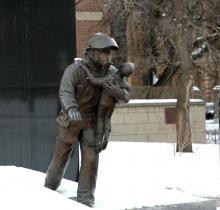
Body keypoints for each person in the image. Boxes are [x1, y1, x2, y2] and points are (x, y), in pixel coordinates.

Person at [44, 32, 130, 207]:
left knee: (91, 160)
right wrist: (72, 107)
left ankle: (86, 198)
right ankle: (48, 190)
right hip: (71, 121)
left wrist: (117, 92)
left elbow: (125, 97)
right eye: (104, 52)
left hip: (92, 123)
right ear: (91, 52)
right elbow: (65, 91)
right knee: (60, 156)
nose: (108, 56)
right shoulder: (75, 70)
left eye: (109, 53)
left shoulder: (112, 72)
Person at [84, 62, 134, 152]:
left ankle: (99, 140)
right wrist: (123, 91)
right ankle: (106, 137)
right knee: (107, 119)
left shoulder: (109, 78)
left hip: (103, 103)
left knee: (100, 119)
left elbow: (94, 81)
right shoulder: (123, 83)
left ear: (119, 68)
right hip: (111, 105)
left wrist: (86, 71)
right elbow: (129, 91)